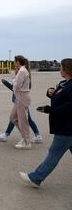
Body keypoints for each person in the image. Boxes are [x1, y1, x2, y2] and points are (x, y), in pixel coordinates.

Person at [20, 59, 72, 188]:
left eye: (60, 66)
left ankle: (36, 178)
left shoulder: (71, 86)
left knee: (54, 153)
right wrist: (50, 93)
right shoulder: (65, 83)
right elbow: (59, 96)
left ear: (65, 69)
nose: (59, 69)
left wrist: (50, 110)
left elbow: (69, 107)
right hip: (65, 125)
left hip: (67, 126)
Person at [0, 78, 42, 143]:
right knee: (16, 119)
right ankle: (37, 135)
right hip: (19, 101)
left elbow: (16, 89)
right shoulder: (22, 75)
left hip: (21, 101)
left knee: (19, 119)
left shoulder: (23, 75)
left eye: (17, 68)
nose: (16, 69)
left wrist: (6, 83)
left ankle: (36, 136)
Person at [10, 55, 32, 149]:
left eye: (14, 61)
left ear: (18, 62)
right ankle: (25, 137)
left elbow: (17, 86)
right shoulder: (22, 70)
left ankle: (27, 142)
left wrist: (13, 78)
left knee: (23, 120)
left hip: (22, 97)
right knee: (13, 117)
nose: (14, 63)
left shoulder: (22, 71)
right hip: (19, 96)